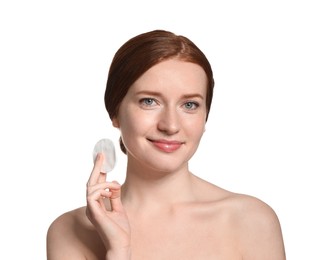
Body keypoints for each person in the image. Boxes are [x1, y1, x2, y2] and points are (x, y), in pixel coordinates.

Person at [46, 29, 286, 260]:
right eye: (149, 101)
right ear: (115, 112)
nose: (171, 125)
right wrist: (119, 250)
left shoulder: (251, 221)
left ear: (205, 117)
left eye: (190, 105)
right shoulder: (70, 231)